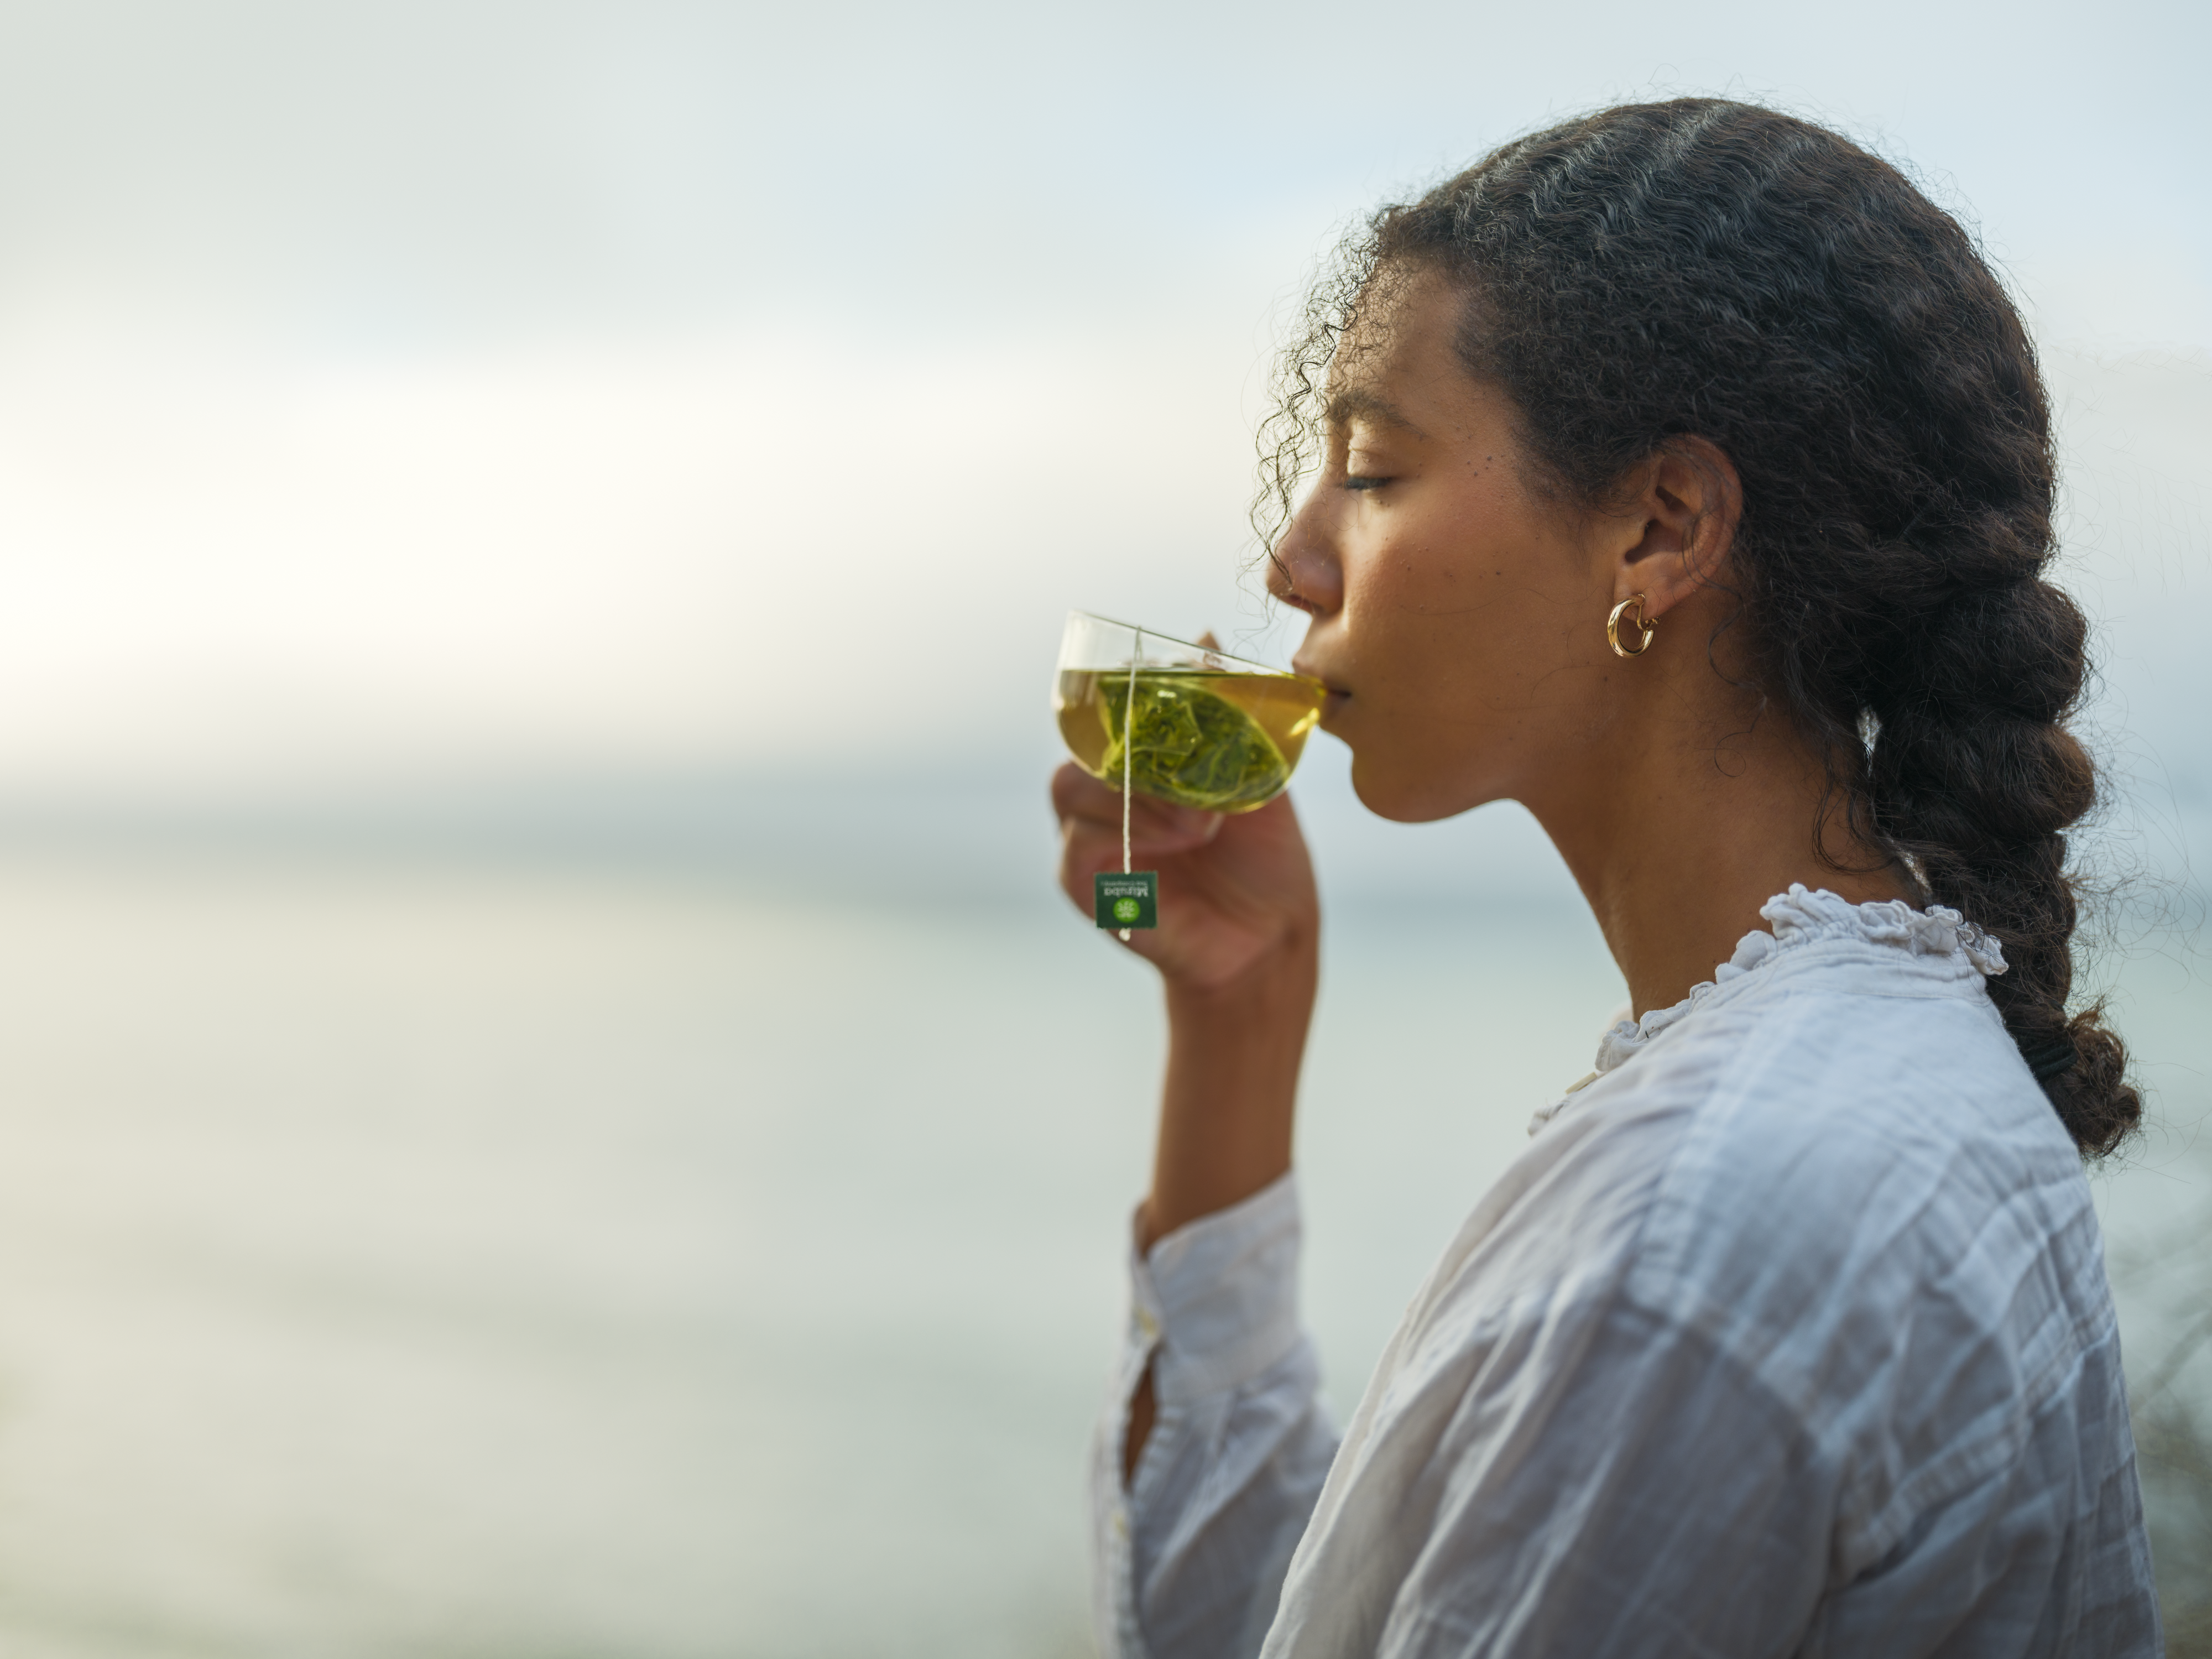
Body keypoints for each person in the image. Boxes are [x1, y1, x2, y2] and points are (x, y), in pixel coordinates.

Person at [1050, 100, 2161, 1658]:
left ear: (1661, 527)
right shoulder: (1844, 1090)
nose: (1292, 563)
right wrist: (1236, 1018)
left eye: (1371, 469)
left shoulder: (1703, 1227)